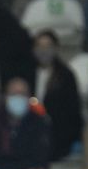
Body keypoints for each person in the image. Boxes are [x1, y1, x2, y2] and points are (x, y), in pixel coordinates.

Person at [31, 31, 81, 161]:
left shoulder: (65, 76)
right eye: (40, 46)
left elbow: (72, 111)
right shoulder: (27, 72)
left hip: (57, 132)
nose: (43, 50)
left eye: (48, 46)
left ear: (56, 48)